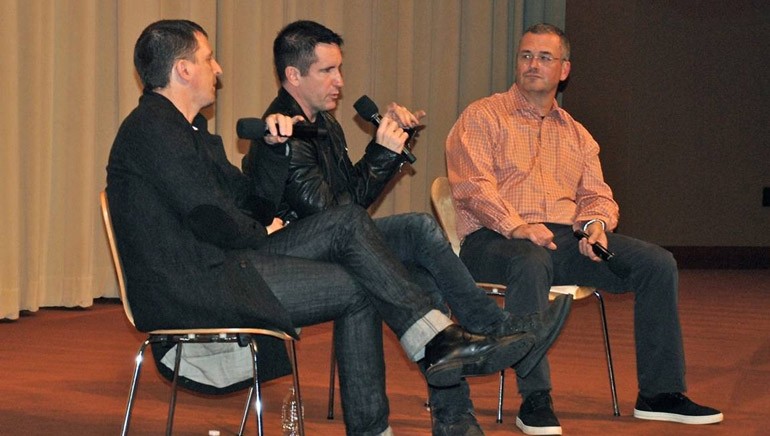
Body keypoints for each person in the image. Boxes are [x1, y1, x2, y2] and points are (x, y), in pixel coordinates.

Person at [106, 19, 566, 436]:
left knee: (369, 275)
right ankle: (443, 346)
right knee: (354, 234)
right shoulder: (153, 129)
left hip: (225, 266)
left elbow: (253, 201)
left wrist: (273, 148)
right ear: (183, 69)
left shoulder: (191, 132)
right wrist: (260, 233)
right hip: (196, 284)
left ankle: (395, 407)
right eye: (209, 59)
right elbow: (211, 218)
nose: (218, 68)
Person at [241, 20, 572, 436]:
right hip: (295, 256)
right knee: (411, 239)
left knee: (419, 253)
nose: (340, 81)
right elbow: (331, 216)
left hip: (337, 239)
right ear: (294, 75)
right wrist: (382, 152)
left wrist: (392, 147)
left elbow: (351, 204)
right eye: (328, 71)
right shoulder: (282, 133)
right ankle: (473, 352)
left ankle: (467, 379)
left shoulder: (325, 125)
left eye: (340, 69)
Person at [445, 22, 724, 435]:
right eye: (526, 56)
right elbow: (472, 187)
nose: (532, 64)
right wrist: (518, 226)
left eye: (544, 57)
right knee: (531, 258)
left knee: (656, 263)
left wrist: (595, 226)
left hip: (563, 240)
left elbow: (597, 195)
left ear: (564, 70)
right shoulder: (483, 116)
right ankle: (535, 398)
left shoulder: (576, 134)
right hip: (494, 240)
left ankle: (660, 394)